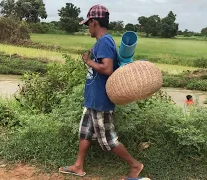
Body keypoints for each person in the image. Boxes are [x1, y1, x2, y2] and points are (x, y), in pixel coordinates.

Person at [58, 4, 144, 179]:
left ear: (95, 22)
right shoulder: (102, 42)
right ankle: (78, 166)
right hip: (93, 99)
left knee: (108, 140)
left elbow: (107, 69)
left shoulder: (104, 41)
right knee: (85, 132)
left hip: (101, 101)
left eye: (88, 24)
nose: (87, 28)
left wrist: (88, 61)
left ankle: (135, 165)